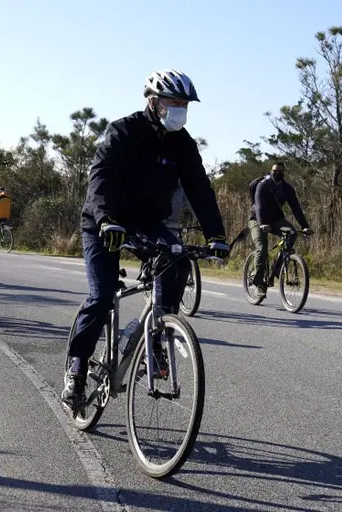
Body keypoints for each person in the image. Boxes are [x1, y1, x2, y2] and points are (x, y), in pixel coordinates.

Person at [62, 69, 230, 408]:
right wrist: (107, 219)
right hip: (103, 222)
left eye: (184, 104)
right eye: (174, 102)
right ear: (153, 102)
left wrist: (216, 234)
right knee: (103, 295)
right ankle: (77, 371)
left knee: (178, 256)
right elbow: (101, 179)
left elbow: (199, 188)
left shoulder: (183, 144)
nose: (180, 109)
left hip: (146, 222)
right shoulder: (123, 131)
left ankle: (153, 332)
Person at [249, 162, 314, 298]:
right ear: (271, 171)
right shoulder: (263, 185)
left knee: (291, 233)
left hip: (276, 219)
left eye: (280, 171)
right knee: (262, 248)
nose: (278, 174)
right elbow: (259, 205)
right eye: (275, 171)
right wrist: (262, 224)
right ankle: (258, 283)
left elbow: (296, 209)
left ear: (284, 173)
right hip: (257, 219)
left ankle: (278, 268)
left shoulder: (287, 188)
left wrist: (305, 226)